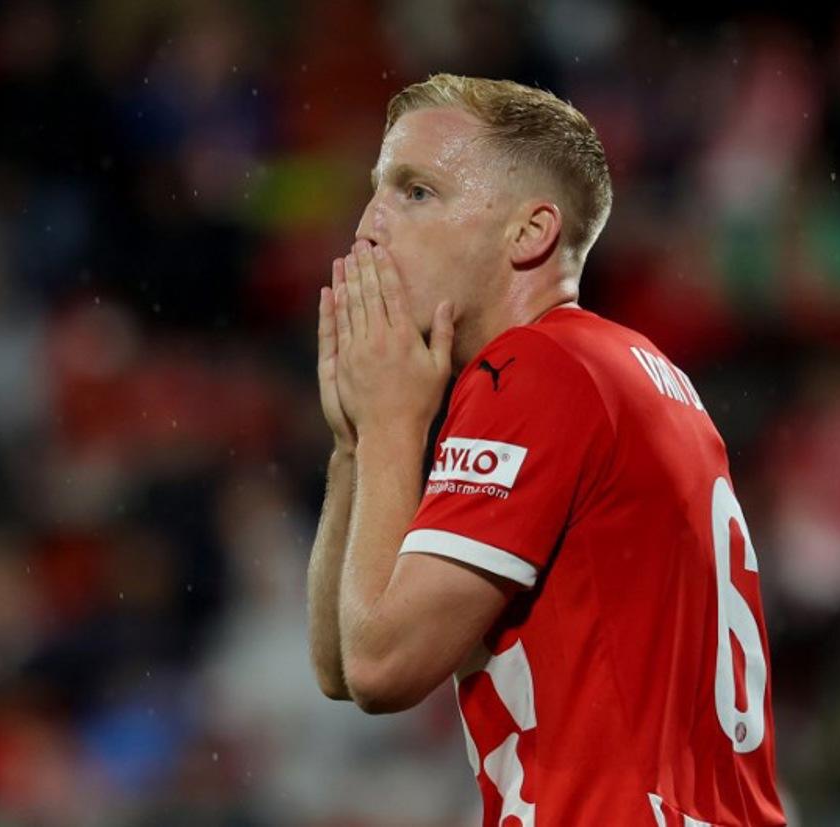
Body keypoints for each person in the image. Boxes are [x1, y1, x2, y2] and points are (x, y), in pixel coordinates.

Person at [307, 74, 786, 826]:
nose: (368, 224)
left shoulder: (538, 370)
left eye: (416, 191)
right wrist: (358, 443)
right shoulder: (626, 370)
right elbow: (339, 659)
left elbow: (380, 667)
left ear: (530, 233)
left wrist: (398, 425)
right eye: (377, 189)